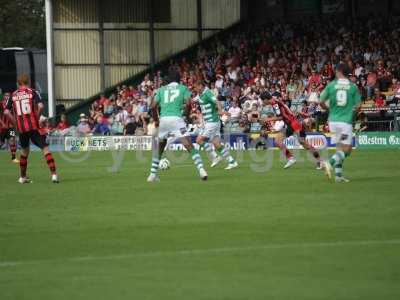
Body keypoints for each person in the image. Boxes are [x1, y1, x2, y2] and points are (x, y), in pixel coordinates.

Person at [147, 72, 208, 182]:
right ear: (178, 80)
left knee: (160, 148)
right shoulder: (183, 88)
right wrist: (186, 114)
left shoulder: (161, 89)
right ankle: (202, 170)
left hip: (164, 120)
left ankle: (152, 175)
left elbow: (153, 106)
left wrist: (156, 120)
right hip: (176, 119)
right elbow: (189, 103)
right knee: (189, 145)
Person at [4, 74, 59, 183]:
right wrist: (37, 118)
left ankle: (23, 177)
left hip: (22, 128)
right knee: (45, 149)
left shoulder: (13, 95)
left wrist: (15, 123)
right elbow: (41, 106)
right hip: (33, 126)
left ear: (18, 83)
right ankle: (54, 175)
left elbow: (6, 112)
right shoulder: (32, 92)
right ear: (27, 82)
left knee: (24, 152)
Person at [319, 63, 361, 183]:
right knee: (347, 150)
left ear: (339, 71)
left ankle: (338, 176)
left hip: (333, 121)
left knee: (340, 149)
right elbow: (358, 106)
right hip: (345, 122)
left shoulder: (331, 85)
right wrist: (351, 114)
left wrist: (329, 110)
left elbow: (320, 101)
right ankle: (328, 163)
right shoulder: (353, 87)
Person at [260, 91, 322, 169]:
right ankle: (291, 158)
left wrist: (267, 119)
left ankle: (320, 161)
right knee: (278, 141)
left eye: (263, 100)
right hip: (291, 124)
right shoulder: (275, 101)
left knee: (303, 143)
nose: (263, 102)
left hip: (294, 123)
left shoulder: (275, 104)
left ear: (265, 99)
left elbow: (281, 117)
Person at [194, 81, 238, 169]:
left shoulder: (207, 93)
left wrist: (221, 110)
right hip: (212, 122)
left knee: (199, 140)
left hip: (212, 122)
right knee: (216, 144)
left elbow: (216, 101)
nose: (194, 89)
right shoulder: (200, 95)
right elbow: (193, 100)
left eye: (196, 87)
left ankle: (215, 157)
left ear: (200, 86)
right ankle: (232, 162)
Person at [0, 94, 18, 163]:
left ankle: (13, 158)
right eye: (6, 95)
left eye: (8, 96)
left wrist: (14, 124)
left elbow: (14, 115)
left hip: (10, 128)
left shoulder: (13, 105)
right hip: (2, 128)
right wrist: (2, 123)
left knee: (12, 140)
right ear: (4, 97)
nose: (7, 96)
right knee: (1, 143)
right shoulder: (1, 104)